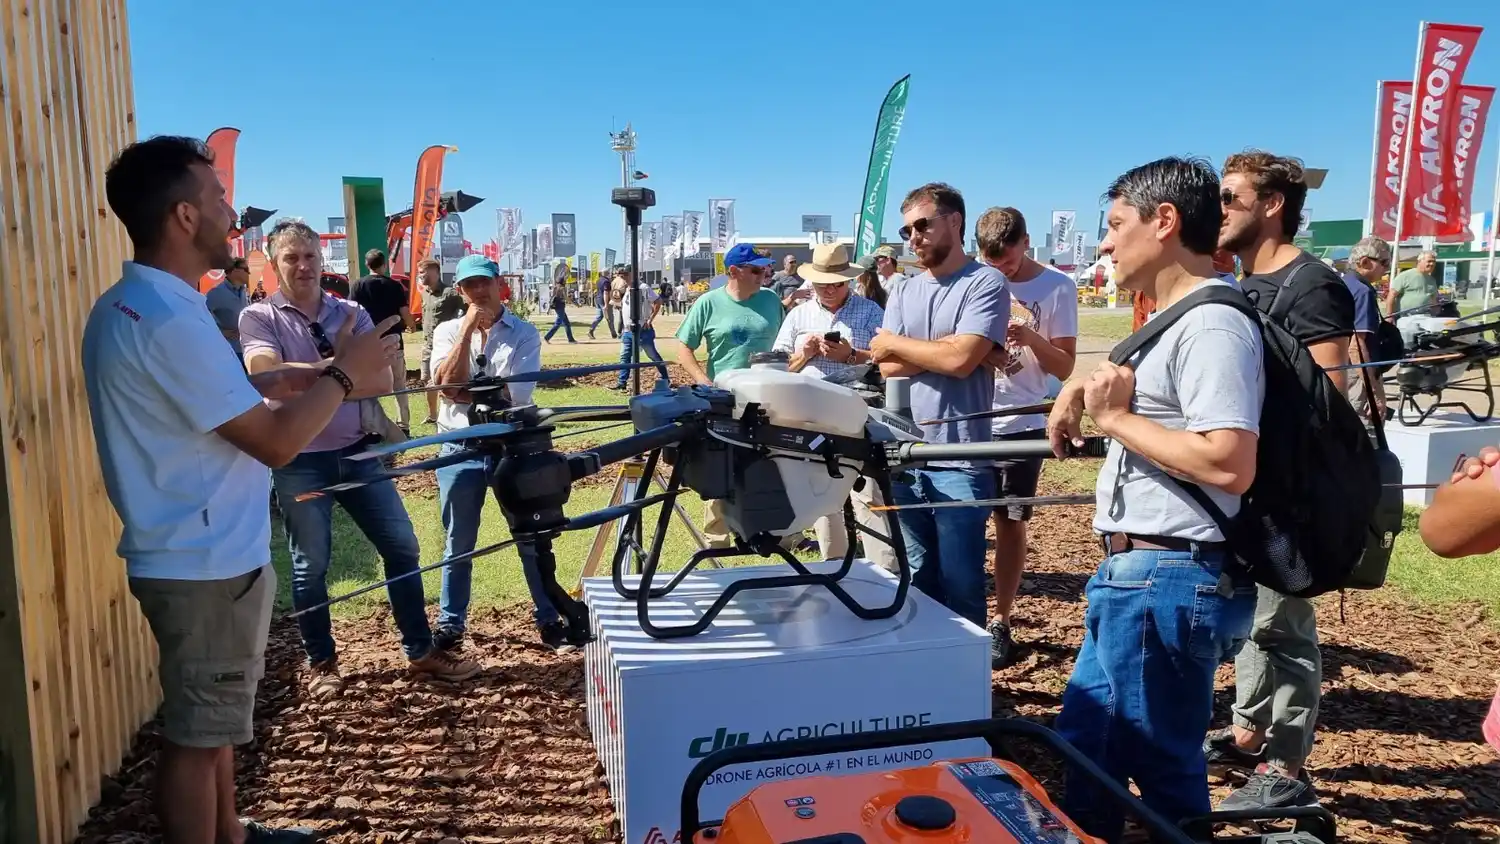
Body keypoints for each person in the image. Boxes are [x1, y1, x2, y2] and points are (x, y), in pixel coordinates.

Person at [83, 135, 398, 844]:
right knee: (198, 738)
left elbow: (205, 406)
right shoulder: (166, 320)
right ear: (185, 217)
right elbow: (277, 443)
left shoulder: (141, 305)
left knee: (217, 722)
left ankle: (231, 831)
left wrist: (281, 380)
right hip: (204, 561)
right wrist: (343, 375)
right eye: (220, 198)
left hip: (201, 554)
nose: (234, 216)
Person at [1047, 156, 1262, 838]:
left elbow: (1229, 461)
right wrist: (1083, 391)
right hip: (1140, 578)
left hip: (1167, 575)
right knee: (1086, 751)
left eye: (1113, 225)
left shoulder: (1211, 325)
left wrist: (1112, 421)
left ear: (1164, 221)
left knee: (1163, 771)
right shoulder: (1179, 321)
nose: (1104, 243)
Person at [240, 219, 480, 698]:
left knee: (403, 548)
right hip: (298, 458)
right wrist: (343, 367)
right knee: (310, 565)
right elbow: (265, 380)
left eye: (309, 256)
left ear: (320, 259)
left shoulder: (350, 311)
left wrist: (312, 375)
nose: (303, 266)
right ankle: (322, 662)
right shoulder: (259, 318)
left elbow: (380, 384)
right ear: (273, 263)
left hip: (359, 454)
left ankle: (420, 651)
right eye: (291, 257)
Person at [1207, 149, 1355, 812]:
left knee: (1284, 627)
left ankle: (1287, 769)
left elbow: (1331, 398)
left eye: (1231, 198)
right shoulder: (1239, 285)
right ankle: (1248, 728)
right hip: (1245, 486)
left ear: (1272, 205)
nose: (1219, 211)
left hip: (1289, 494)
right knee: (1249, 622)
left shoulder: (1311, 283)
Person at [868, 182, 1009, 629]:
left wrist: (903, 345)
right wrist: (942, 351)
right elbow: (885, 365)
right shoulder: (905, 290)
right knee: (919, 573)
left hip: (962, 456)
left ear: (955, 221)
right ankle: (927, 662)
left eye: (923, 224)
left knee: (962, 578)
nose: (914, 237)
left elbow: (961, 361)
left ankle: (968, 679)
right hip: (906, 454)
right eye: (907, 229)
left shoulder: (985, 282)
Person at [429, 256, 584, 651]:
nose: (478, 292)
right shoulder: (447, 331)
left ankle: (548, 618)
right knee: (457, 541)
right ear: (460, 291)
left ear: (499, 284)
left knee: (529, 536)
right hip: (459, 447)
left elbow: (516, 397)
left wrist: (463, 390)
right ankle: (451, 624)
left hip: (510, 448)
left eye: (484, 282)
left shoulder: (524, 333)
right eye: (469, 286)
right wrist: (465, 333)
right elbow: (445, 390)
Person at [972, 206, 1079, 667]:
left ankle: (1002, 620)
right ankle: (964, 618)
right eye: (993, 264)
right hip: (968, 422)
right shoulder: (971, 279)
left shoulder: (1056, 287)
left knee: (1011, 523)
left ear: (1026, 242)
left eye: (1009, 263)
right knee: (960, 523)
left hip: (1022, 422)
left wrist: (1032, 339)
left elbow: (1066, 367)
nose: (1002, 272)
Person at [771, 242, 894, 569]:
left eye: (835, 284)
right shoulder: (798, 314)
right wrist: (805, 355)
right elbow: (777, 366)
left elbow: (891, 361)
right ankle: (832, 565)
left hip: (859, 407)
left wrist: (851, 356)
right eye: (822, 284)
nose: (828, 290)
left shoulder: (870, 311)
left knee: (867, 489)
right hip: (812, 411)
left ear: (849, 281)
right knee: (822, 490)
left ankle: (884, 567)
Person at [675, 242, 784, 547]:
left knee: (776, 460)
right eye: (756, 269)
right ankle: (717, 538)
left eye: (765, 268)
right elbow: (683, 348)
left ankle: (783, 532)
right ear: (734, 272)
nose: (764, 273)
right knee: (718, 466)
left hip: (770, 397)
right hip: (723, 399)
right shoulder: (708, 303)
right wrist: (703, 382)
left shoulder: (772, 300)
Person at [350, 249, 416, 433]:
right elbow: (404, 312)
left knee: (367, 386)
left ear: (367, 265)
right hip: (394, 343)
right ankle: (404, 425)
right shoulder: (394, 286)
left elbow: (351, 313)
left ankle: (370, 427)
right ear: (384, 265)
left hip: (367, 344)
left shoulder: (358, 286)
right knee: (399, 385)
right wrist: (412, 326)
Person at [1343, 236, 1393, 422]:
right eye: (1384, 262)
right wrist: (1374, 393)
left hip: (1340, 371)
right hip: (1357, 376)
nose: (1387, 268)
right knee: (1368, 433)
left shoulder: (1341, 284)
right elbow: (1357, 346)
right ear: (1364, 262)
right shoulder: (1362, 292)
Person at [418, 258, 467, 425]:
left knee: (443, 381)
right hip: (428, 345)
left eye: (424, 272)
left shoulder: (450, 293)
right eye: (420, 272)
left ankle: (447, 412)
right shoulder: (424, 293)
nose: (421, 275)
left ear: (436, 273)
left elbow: (466, 311)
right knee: (427, 380)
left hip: (446, 346)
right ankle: (432, 415)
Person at [613, 265, 672, 392]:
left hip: (643, 329)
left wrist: (650, 319)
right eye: (621, 276)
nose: (623, 278)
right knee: (625, 356)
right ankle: (621, 382)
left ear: (632, 274)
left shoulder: (643, 288)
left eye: (626, 275)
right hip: (628, 330)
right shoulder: (626, 289)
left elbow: (658, 301)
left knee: (653, 355)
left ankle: (666, 379)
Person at [205, 257, 251, 359]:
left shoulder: (243, 291)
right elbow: (200, 316)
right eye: (246, 270)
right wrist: (221, 332)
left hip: (245, 348)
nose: (249, 273)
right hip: (228, 351)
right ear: (235, 270)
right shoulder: (216, 293)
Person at [1384, 249, 1439, 318]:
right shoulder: (1405, 276)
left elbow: (1434, 300)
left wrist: (1436, 315)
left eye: (1434, 261)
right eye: (1429, 261)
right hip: (1405, 318)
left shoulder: (1432, 280)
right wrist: (1389, 316)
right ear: (1419, 261)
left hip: (1425, 317)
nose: (1432, 264)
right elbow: (1391, 296)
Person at [544, 273, 576, 343]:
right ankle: (547, 337)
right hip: (560, 306)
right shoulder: (562, 288)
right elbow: (565, 298)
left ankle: (571, 339)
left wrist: (549, 309)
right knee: (558, 323)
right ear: (562, 281)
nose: (565, 281)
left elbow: (552, 298)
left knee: (567, 323)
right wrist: (574, 303)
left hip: (557, 306)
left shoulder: (555, 287)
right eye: (565, 280)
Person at [589, 268, 617, 340]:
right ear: (608, 273)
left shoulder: (598, 280)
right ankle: (613, 333)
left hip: (598, 299)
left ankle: (591, 329)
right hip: (604, 300)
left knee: (599, 316)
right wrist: (606, 304)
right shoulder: (606, 282)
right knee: (609, 317)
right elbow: (606, 293)